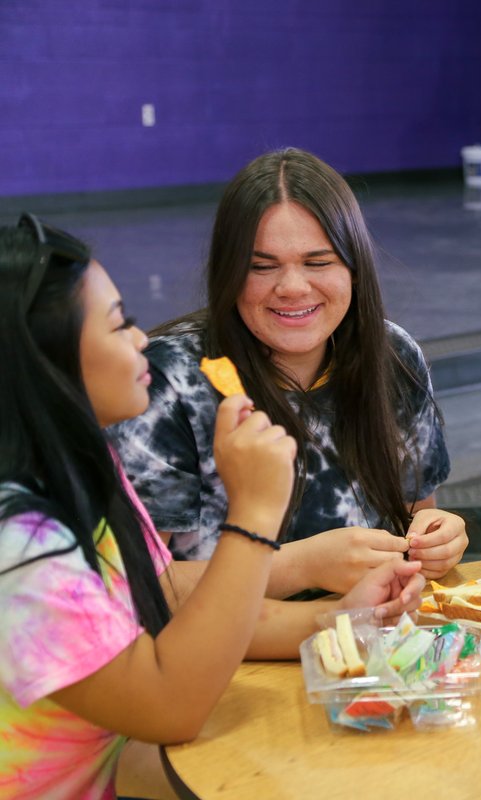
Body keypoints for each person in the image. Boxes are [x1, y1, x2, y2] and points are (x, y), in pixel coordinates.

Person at [0, 216, 426, 799]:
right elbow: (168, 706)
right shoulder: (21, 545)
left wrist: (336, 618)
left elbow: (160, 607)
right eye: (119, 323)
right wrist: (253, 515)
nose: (141, 339)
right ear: (47, 363)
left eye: (319, 261)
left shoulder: (82, 468)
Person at [112, 148, 468, 596]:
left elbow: (416, 512)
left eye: (318, 263)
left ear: (355, 268)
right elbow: (135, 588)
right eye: (261, 267)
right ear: (229, 273)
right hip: (228, 658)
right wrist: (301, 567)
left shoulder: (393, 355)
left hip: (367, 648)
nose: (292, 288)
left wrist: (437, 538)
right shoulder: (169, 381)